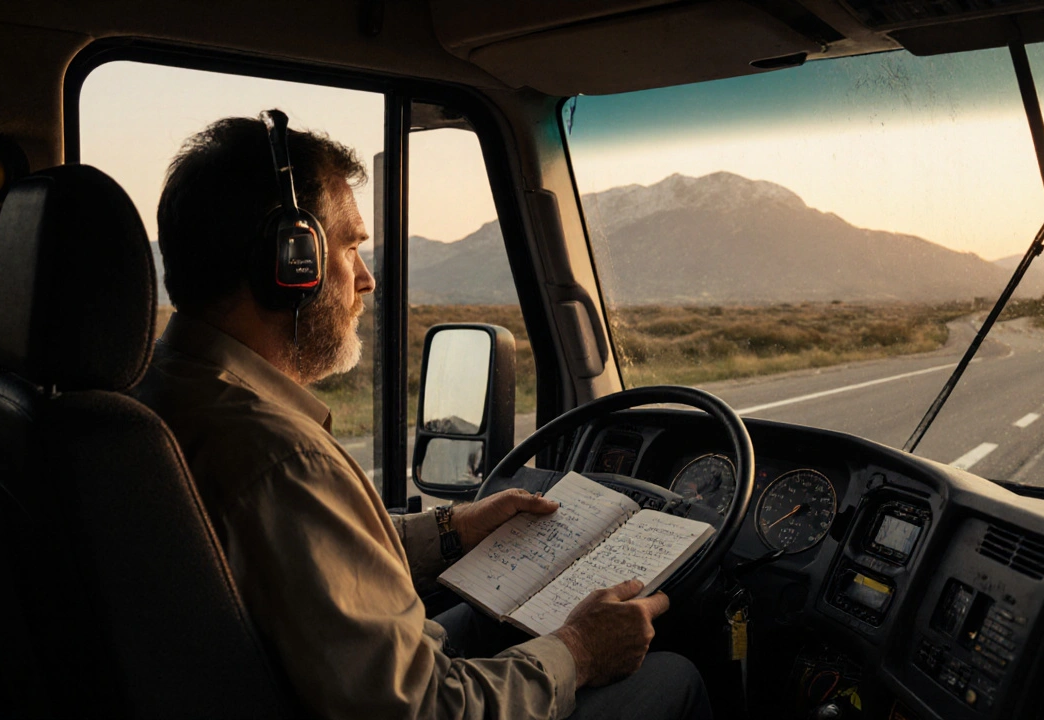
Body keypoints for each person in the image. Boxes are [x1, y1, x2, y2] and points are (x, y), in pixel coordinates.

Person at [132, 112, 712, 720]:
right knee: (674, 677)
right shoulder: (278, 457)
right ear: (291, 264)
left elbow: (305, 567)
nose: (366, 279)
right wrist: (581, 651)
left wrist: (451, 530)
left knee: (486, 626)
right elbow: (424, 707)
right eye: (351, 247)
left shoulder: (159, 390)